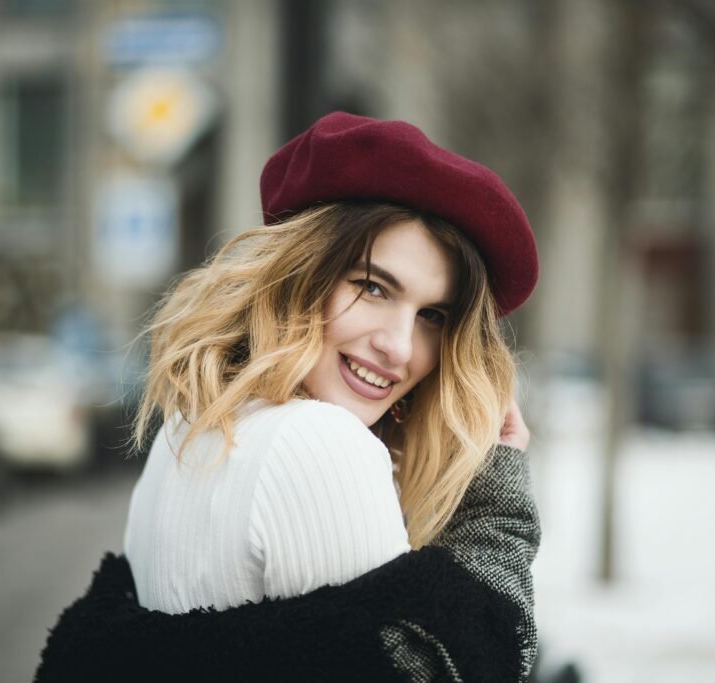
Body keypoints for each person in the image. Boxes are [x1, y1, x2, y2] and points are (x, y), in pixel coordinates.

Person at [36, 112, 541, 682]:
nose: (399, 347)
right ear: (300, 275)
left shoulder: (187, 433)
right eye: (372, 288)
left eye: (432, 316)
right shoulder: (320, 444)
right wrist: (497, 515)